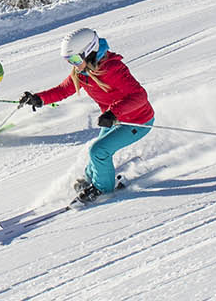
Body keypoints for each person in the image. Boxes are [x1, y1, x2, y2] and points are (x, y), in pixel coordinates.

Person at [18, 27, 154, 202]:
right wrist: (39, 98)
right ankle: (93, 178)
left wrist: (113, 113)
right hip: (115, 120)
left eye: (74, 59)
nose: (73, 64)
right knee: (96, 152)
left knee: (98, 151)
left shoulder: (113, 68)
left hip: (138, 121)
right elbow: (64, 89)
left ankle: (103, 190)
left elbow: (140, 96)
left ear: (88, 52)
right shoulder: (82, 72)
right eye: (68, 60)